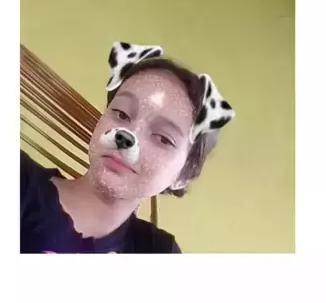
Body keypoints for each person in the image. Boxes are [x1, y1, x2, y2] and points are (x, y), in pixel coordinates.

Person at [20, 41, 235, 253]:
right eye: (121, 114)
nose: (128, 136)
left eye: (163, 138)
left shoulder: (157, 251)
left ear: (183, 177)